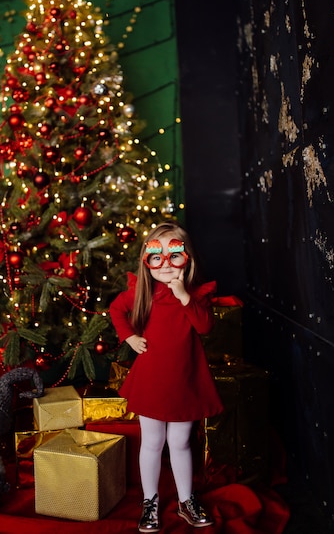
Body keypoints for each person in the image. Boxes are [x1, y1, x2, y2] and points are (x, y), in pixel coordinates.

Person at [109, 221, 223, 532]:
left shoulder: (195, 295)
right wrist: (129, 337)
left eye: (174, 255)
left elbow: (204, 327)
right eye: (156, 257)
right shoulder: (142, 293)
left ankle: (187, 500)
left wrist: (184, 294)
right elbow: (115, 310)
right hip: (152, 380)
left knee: (181, 441)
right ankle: (151, 501)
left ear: (187, 259)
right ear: (147, 261)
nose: (165, 265)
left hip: (186, 379)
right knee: (153, 441)